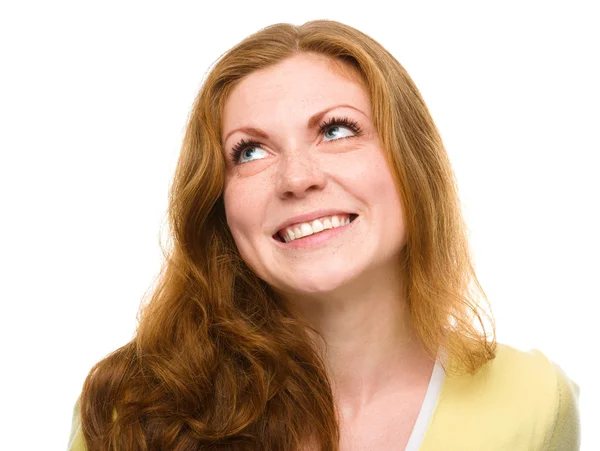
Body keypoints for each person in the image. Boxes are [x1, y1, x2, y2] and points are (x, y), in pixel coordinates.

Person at [66, 20, 580, 450]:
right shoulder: (131, 408)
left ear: (411, 163)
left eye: (336, 130)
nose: (296, 178)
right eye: (250, 151)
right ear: (218, 205)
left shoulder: (533, 401)